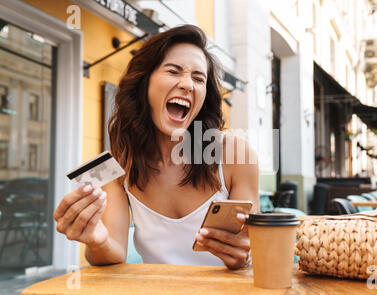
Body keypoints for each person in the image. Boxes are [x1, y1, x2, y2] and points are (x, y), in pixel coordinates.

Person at [53, 25, 259, 270]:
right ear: (144, 83)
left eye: (198, 78)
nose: (187, 85)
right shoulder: (116, 165)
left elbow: (254, 250)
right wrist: (97, 240)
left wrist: (247, 257)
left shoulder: (236, 155)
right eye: (174, 71)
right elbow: (113, 253)